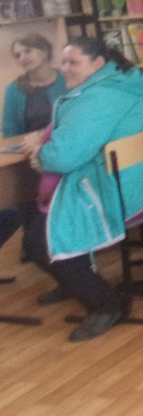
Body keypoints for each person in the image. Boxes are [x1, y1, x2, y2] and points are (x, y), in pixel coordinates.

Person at [19, 37, 143, 342]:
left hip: (113, 192)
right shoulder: (119, 86)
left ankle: (107, 304)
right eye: (64, 62)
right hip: (138, 185)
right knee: (38, 223)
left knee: (37, 239)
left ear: (98, 64)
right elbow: (72, 134)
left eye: (73, 62)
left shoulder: (96, 99)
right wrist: (46, 138)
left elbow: (64, 156)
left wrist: (40, 151)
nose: (64, 68)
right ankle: (73, 281)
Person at [1, 33, 67, 257]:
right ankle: (33, 241)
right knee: (21, 185)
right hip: (28, 151)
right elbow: (10, 129)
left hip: (61, 147)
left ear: (45, 51)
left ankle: (59, 239)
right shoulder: (14, 89)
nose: (23, 58)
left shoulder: (65, 80)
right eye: (17, 55)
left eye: (27, 51)